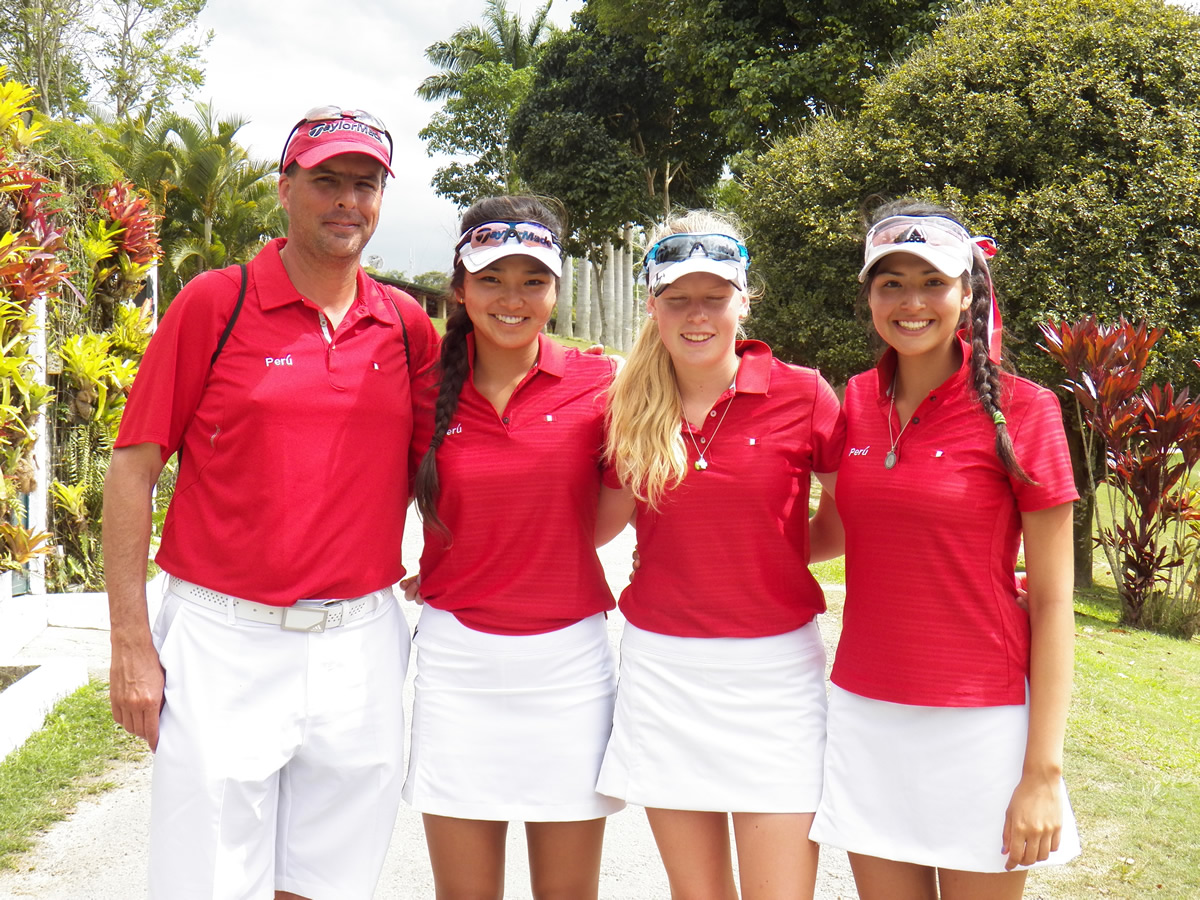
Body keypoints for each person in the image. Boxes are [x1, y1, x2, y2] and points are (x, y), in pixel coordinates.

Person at [102, 107, 439, 900]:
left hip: (360, 641)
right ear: (285, 189)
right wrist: (130, 643)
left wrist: (453, 560)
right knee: (208, 883)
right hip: (224, 638)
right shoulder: (214, 305)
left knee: (331, 882)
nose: (347, 201)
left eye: (366, 184)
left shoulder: (405, 326)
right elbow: (132, 469)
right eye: (327, 181)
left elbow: (441, 467)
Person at [809, 200, 1081, 900]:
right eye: (891, 283)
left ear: (967, 295)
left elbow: (1054, 604)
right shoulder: (856, 399)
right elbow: (831, 532)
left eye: (933, 282)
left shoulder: (1026, 410)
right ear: (869, 296)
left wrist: (1042, 773)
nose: (912, 302)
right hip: (867, 712)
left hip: (982, 722)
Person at [595, 211, 844, 900]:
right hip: (664, 671)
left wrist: (768, 554)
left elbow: (849, 521)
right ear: (653, 306)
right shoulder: (627, 403)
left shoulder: (803, 392)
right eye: (677, 298)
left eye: (714, 296)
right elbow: (595, 528)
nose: (697, 314)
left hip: (776, 677)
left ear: (744, 301)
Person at [401, 195, 624, 900]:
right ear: (460, 289)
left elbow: (608, 514)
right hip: (456, 667)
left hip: (570, 668)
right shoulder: (420, 391)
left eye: (533, 280)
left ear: (555, 292)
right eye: (492, 279)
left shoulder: (600, 382)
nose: (512, 298)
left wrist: (526, 549)